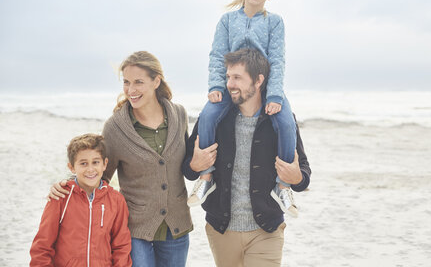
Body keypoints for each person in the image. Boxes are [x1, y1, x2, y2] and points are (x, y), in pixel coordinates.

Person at [48, 51, 192, 267]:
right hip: (135, 228)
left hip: (176, 225)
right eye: (126, 82)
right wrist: (67, 185)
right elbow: (99, 177)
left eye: (138, 82)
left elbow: (187, 167)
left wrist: (200, 164)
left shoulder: (179, 115)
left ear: (156, 81)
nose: (130, 90)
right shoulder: (116, 127)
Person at [187, 0, 299, 218]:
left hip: (265, 85)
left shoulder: (275, 22)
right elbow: (217, 55)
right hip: (232, 84)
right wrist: (216, 87)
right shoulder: (227, 21)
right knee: (206, 117)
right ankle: (206, 178)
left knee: (286, 123)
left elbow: (277, 60)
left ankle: (282, 187)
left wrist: (274, 96)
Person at [183, 48, 311, 266]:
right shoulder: (215, 119)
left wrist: (296, 177)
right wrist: (195, 165)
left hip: (266, 230)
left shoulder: (280, 121)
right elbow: (187, 168)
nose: (230, 84)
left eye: (237, 78)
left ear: (258, 80)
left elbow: (304, 176)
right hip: (221, 230)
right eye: (228, 77)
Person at [30, 133, 132, 266]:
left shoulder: (116, 200)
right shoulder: (60, 197)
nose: (90, 169)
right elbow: (42, 246)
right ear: (72, 167)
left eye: (95, 162)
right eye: (83, 163)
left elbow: (121, 246)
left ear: (104, 164)